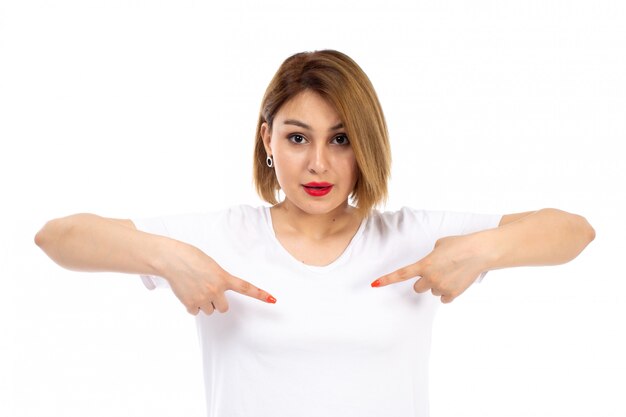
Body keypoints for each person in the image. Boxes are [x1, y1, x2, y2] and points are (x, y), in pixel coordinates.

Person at [35, 49, 595, 417]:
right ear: (267, 140)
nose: (319, 164)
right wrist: (166, 258)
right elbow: (59, 237)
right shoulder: (222, 236)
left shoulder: (413, 237)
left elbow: (574, 231)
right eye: (298, 138)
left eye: (342, 139)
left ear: (367, 144)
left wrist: (481, 251)